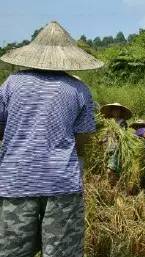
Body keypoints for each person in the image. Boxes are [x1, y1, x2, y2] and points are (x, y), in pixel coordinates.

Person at [0, 21, 102, 257]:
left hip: (16, 180)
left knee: (12, 251)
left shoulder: (11, 83)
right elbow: (82, 140)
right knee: (62, 252)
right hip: (61, 182)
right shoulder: (79, 89)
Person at [100, 103, 133, 183]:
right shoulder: (109, 122)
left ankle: (112, 187)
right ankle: (112, 188)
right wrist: (102, 140)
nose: (116, 111)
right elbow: (107, 135)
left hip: (116, 148)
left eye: (117, 110)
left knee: (110, 170)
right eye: (114, 110)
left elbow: (123, 136)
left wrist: (116, 130)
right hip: (108, 148)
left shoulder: (122, 122)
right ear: (111, 111)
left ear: (120, 112)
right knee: (109, 170)